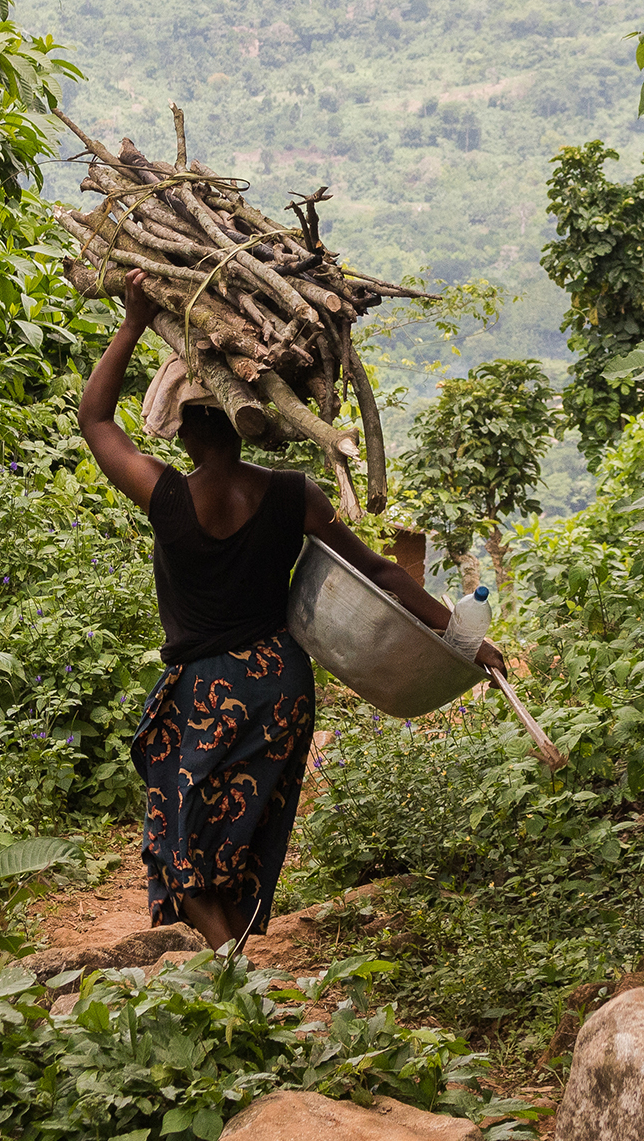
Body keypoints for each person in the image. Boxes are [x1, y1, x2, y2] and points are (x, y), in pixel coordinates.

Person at [77, 269, 506, 949]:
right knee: (243, 836)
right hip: (279, 685)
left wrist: (130, 322)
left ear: (185, 431)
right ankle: (231, 967)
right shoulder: (293, 493)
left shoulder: (165, 497)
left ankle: (229, 978)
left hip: (206, 691)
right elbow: (377, 574)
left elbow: (94, 420)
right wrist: (461, 639)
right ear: (251, 426)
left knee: (183, 844)